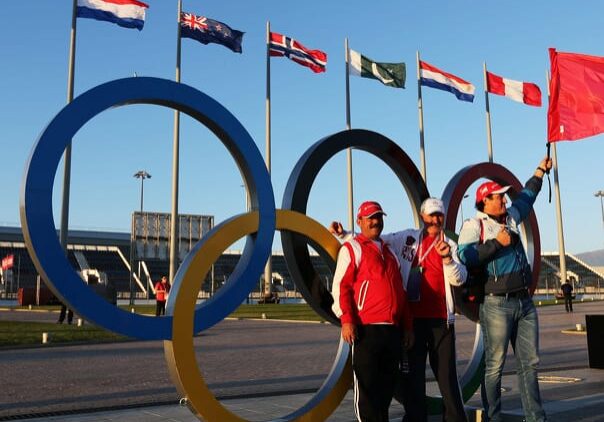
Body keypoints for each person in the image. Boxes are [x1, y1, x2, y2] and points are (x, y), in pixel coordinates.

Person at [332, 198, 468, 422]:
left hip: (439, 322)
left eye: (439, 215)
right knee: (411, 380)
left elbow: (460, 278)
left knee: (447, 378)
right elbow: (372, 240)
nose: (435, 219)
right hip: (410, 322)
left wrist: (447, 259)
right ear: (423, 217)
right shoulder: (406, 239)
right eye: (431, 215)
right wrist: (345, 234)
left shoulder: (450, 245)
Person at [457, 156, 552, 422]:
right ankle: (494, 417)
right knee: (494, 368)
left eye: (502, 196)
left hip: (525, 302)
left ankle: (535, 418)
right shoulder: (473, 225)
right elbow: (465, 257)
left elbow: (526, 197)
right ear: (484, 202)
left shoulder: (510, 217)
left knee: (530, 365)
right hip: (496, 304)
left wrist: (539, 172)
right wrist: (496, 244)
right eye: (497, 197)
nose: (503, 200)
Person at [331, 200, 414, 421]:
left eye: (378, 217)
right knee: (367, 393)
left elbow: (401, 293)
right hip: (366, 330)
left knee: (385, 392)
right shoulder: (352, 248)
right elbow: (341, 287)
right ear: (360, 221)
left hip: (392, 332)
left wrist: (407, 327)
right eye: (370, 218)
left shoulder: (390, 252)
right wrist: (347, 320)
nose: (375, 221)